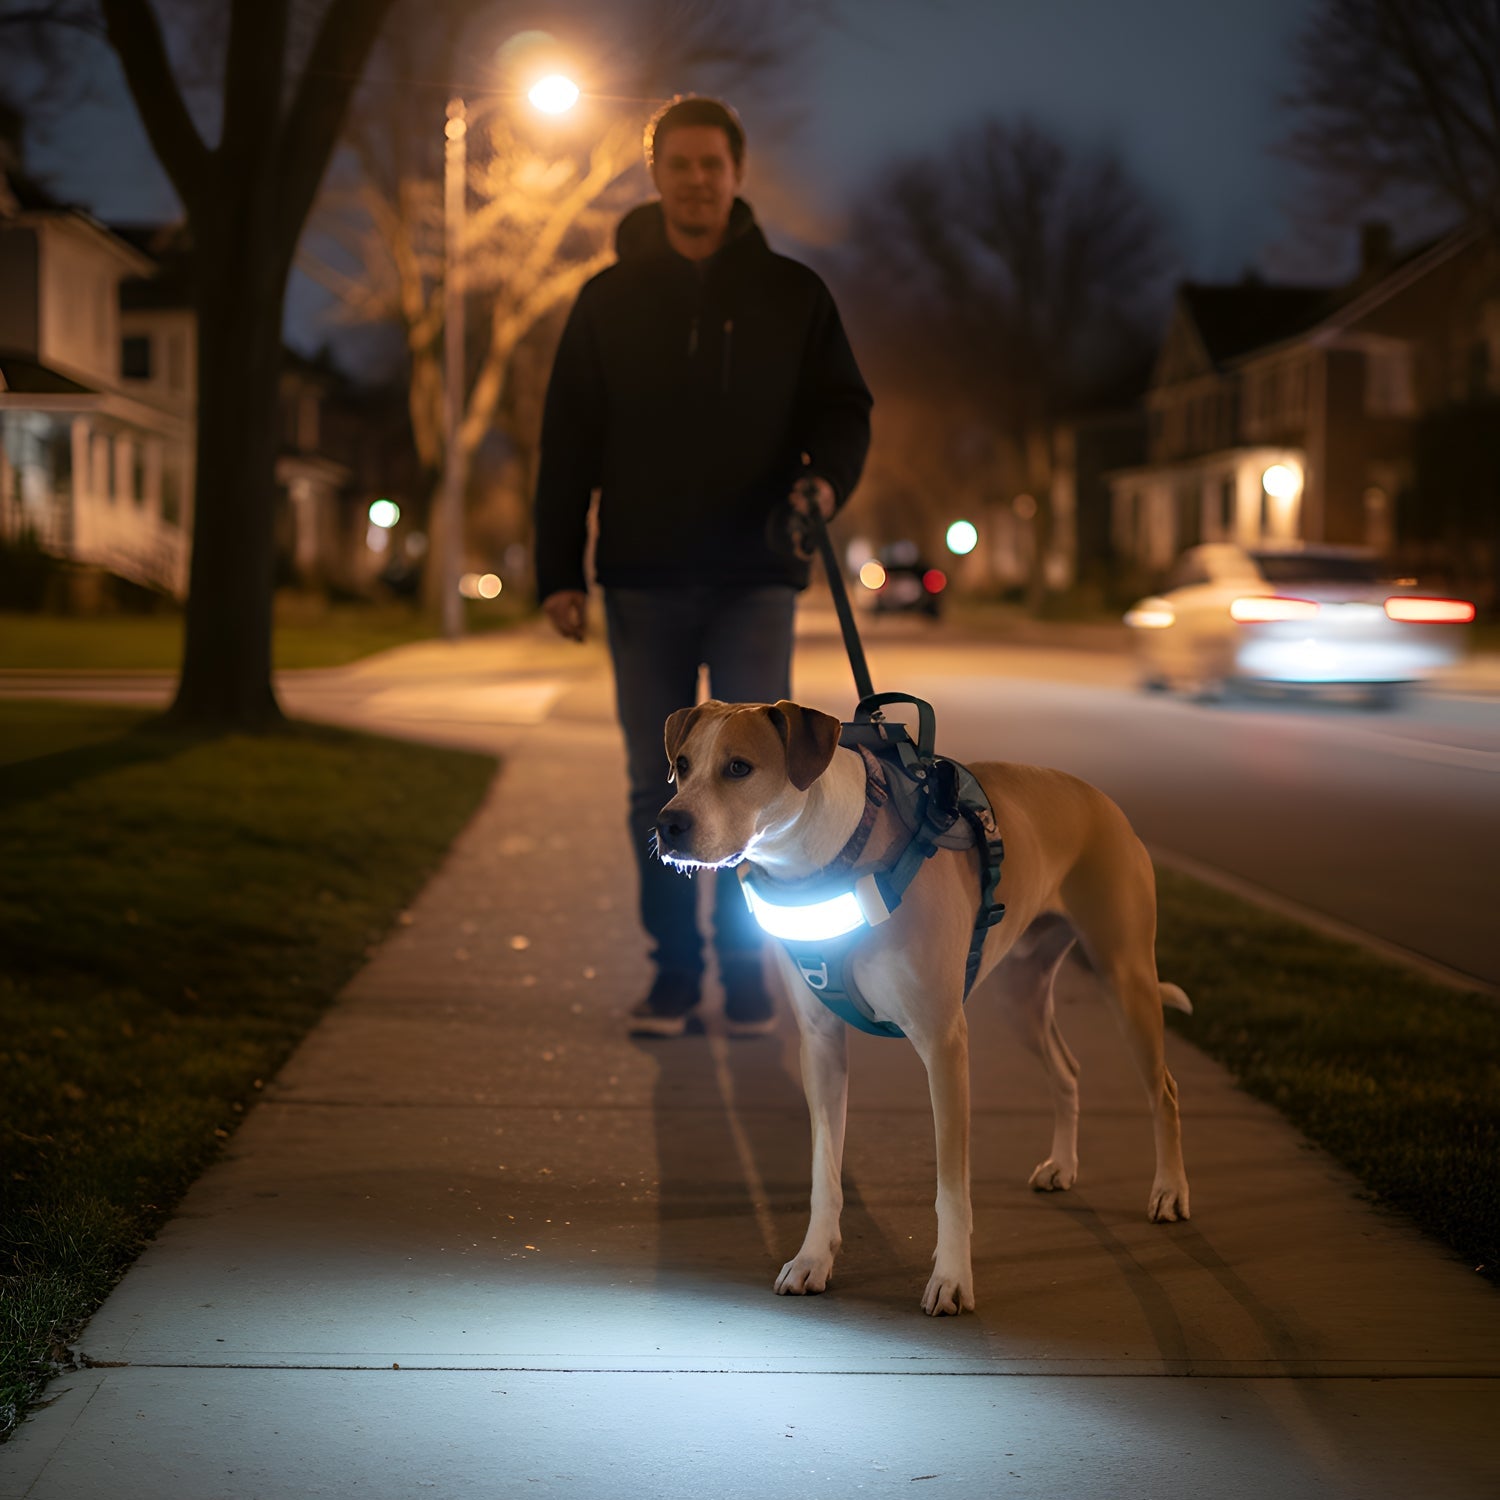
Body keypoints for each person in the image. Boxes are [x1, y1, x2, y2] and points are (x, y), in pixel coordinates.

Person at [533, 95, 872, 1039]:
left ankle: (753, 980)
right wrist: (558, 567)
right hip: (642, 573)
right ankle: (675, 976)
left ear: (736, 173)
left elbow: (845, 408)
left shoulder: (792, 294)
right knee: (660, 786)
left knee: (755, 781)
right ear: (657, 174)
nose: (696, 180)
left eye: (711, 164)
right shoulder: (607, 299)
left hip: (755, 569)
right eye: (678, 164)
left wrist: (825, 485)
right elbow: (567, 442)